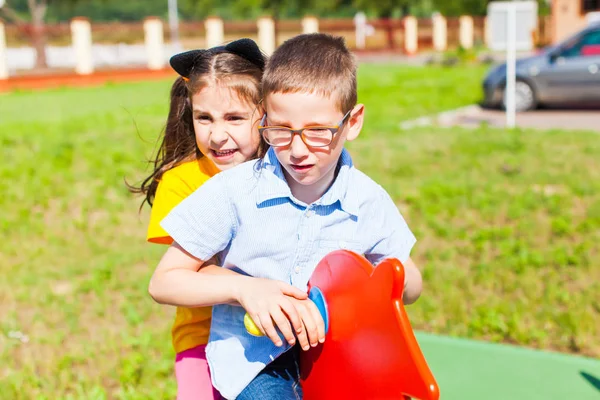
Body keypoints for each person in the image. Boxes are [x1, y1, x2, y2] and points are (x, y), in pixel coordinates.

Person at [150, 33, 423, 400]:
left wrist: (375, 287)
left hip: (335, 356)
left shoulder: (367, 199)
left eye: (317, 132)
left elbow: (409, 282)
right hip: (253, 362)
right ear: (267, 119)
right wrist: (247, 288)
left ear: (353, 122)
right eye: (280, 131)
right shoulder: (231, 191)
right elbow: (165, 281)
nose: (297, 150)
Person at [132, 38, 283, 400]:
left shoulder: (284, 171)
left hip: (283, 336)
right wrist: (249, 287)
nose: (217, 135)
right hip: (204, 339)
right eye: (204, 118)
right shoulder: (182, 182)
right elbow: (193, 270)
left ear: (266, 115)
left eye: (234, 118)